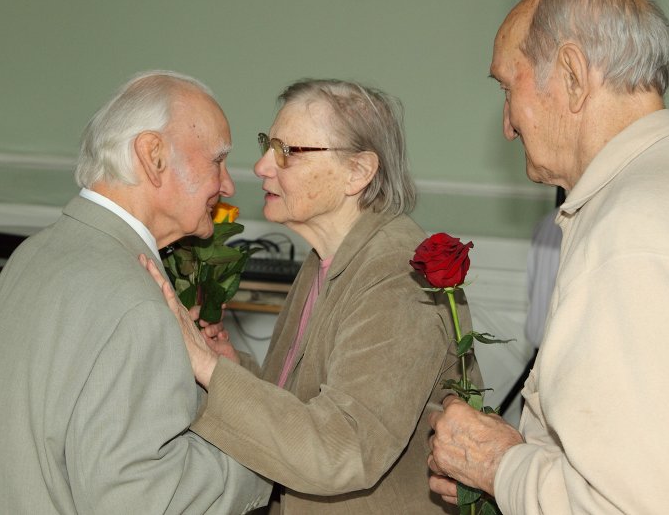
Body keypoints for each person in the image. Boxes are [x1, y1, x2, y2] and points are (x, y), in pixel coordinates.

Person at [145, 78, 479, 514]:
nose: (262, 165)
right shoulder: (328, 254)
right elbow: (307, 407)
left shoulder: (397, 276)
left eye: (288, 151)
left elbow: (341, 452)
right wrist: (233, 369)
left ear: (358, 171)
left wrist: (205, 366)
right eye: (269, 144)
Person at [427, 0, 669, 513]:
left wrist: (497, 466)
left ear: (571, 76)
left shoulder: (629, 234)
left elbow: (632, 505)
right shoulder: (661, 190)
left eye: (507, 88)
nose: (506, 126)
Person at [0, 71, 270, 514]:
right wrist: (264, 454)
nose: (227, 185)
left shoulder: (33, 253)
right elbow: (144, 501)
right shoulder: (137, 302)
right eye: (217, 160)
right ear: (153, 156)